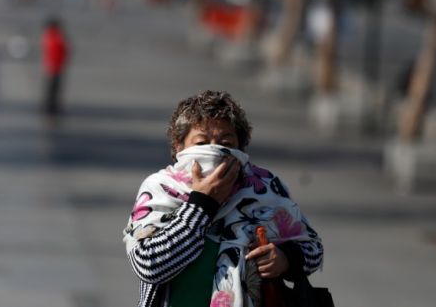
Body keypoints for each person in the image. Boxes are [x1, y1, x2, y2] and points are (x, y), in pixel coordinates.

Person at [123, 90, 323, 307]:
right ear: (179, 147)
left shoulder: (263, 187)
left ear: (240, 149)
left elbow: (313, 250)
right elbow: (148, 266)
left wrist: (286, 260)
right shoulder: (159, 189)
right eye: (201, 144)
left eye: (225, 143)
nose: (215, 151)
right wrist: (201, 205)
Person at [41, 18, 69, 116]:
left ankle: (50, 107)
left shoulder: (48, 36)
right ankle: (51, 108)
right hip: (55, 67)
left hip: (51, 67)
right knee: (54, 90)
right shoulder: (56, 37)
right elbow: (63, 50)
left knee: (51, 90)